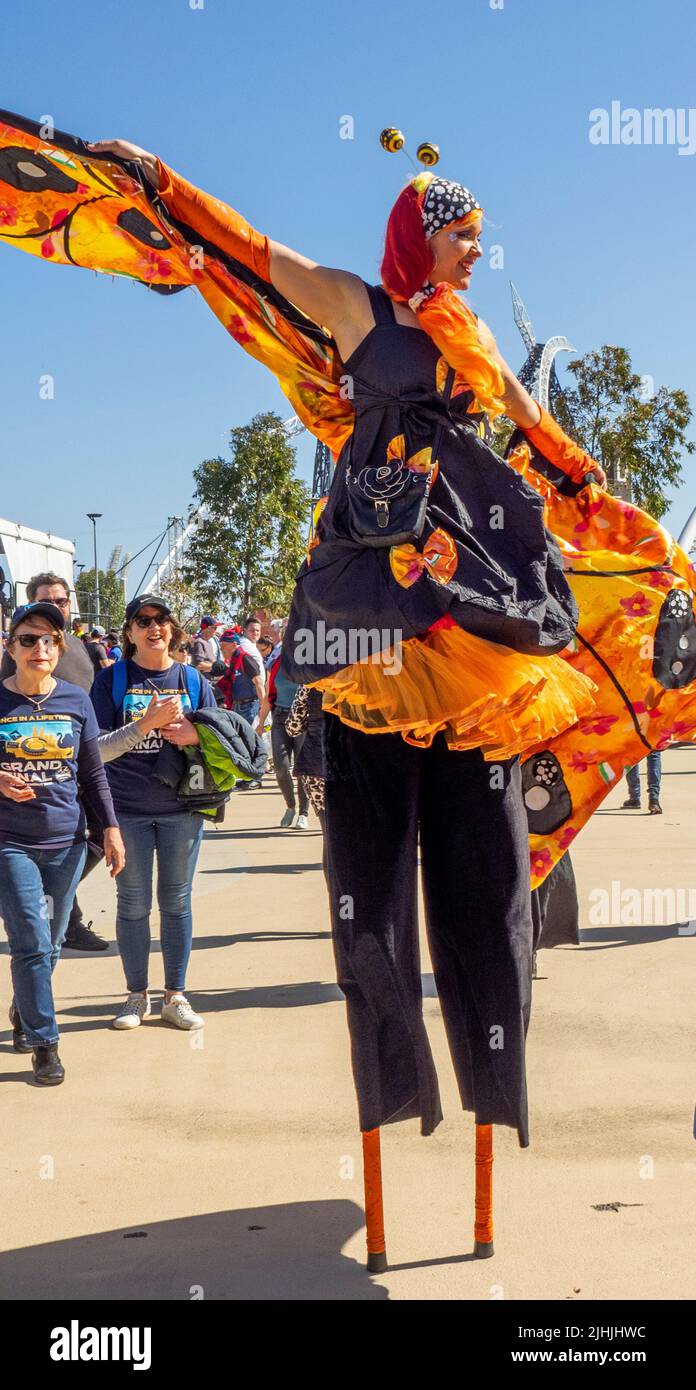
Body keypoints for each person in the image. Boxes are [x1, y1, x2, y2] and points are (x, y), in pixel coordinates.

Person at [87, 139, 605, 1160]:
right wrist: (160, 181)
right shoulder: (357, 304)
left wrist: (582, 475)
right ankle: (390, 1081)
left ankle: (494, 1067)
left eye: (479, 243)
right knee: (369, 874)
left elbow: (529, 415)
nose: (474, 257)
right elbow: (250, 250)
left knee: (481, 860)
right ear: (422, 233)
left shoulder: (469, 331)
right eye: (464, 239)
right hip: (374, 578)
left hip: (466, 584)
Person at [0, 601, 124, 1084]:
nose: (39, 648)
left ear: (61, 647)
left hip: (68, 843)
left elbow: (93, 774)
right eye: (28, 639)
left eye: (49, 640)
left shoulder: (75, 700)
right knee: (30, 942)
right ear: (10, 647)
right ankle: (46, 1044)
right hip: (10, 843)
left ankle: (24, 1006)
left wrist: (110, 828)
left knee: (49, 947)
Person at [91, 593, 217, 1032]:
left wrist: (193, 736)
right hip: (126, 808)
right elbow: (96, 751)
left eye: (161, 619)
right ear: (129, 632)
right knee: (132, 904)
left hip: (183, 808)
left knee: (177, 902)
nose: (153, 627)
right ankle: (136, 995)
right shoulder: (112, 680)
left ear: (172, 628)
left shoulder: (193, 679)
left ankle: (176, 995)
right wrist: (144, 724)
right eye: (142, 621)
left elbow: (220, 741)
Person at [0, 571, 106, 951]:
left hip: (79, 757)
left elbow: (93, 703)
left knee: (92, 837)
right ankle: (62, 919)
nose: (41, 646)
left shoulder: (81, 647)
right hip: (33, 770)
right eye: (48, 600)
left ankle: (59, 910)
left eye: (62, 601)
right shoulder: (17, 654)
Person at [258, 654, 309, 828]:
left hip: (303, 719)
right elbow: (268, 694)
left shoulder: (308, 661)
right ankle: (290, 806)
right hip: (279, 717)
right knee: (281, 766)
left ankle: (304, 813)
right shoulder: (277, 663)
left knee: (303, 769)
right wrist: (261, 723)